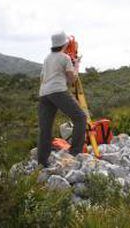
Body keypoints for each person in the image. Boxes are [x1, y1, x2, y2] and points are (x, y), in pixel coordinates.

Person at [38, 31, 86, 167]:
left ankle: (42, 162)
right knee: (80, 118)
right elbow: (72, 79)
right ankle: (74, 153)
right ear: (64, 44)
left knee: (45, 129)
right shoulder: (65, 58)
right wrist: (76, 64)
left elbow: (42, 78)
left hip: (44, 93)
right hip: (58, 91)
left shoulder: (47, 58)